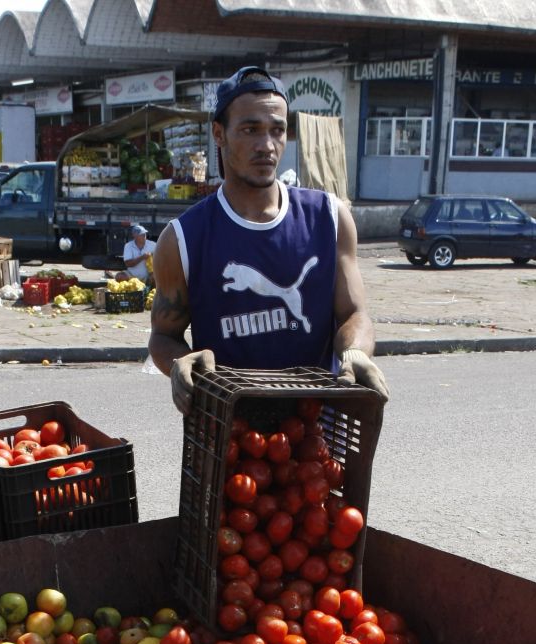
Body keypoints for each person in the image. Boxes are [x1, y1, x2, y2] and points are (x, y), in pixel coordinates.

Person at [148, 64, 387, 413]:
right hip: (232, 439)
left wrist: (354, 352)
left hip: (317, 434)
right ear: (219, 133)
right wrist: (178, 364)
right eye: (250, 130)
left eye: (277, 131)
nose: (267, 145)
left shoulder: (330, 218)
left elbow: (354, 313)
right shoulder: (182, 239)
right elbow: (163, 336)